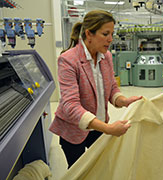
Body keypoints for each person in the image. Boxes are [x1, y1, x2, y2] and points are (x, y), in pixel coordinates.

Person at [49, 10, 142, 168]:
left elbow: (111, 87)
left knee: (101, 168)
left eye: (112, 33)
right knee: (79, 171)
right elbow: (70, 105)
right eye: (105, 33)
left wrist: (123, 100)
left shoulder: (106, 57)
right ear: (89, 34)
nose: (110, 39)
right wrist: (108, 128)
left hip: (98, 126)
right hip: (73, 130)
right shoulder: (68, 60)